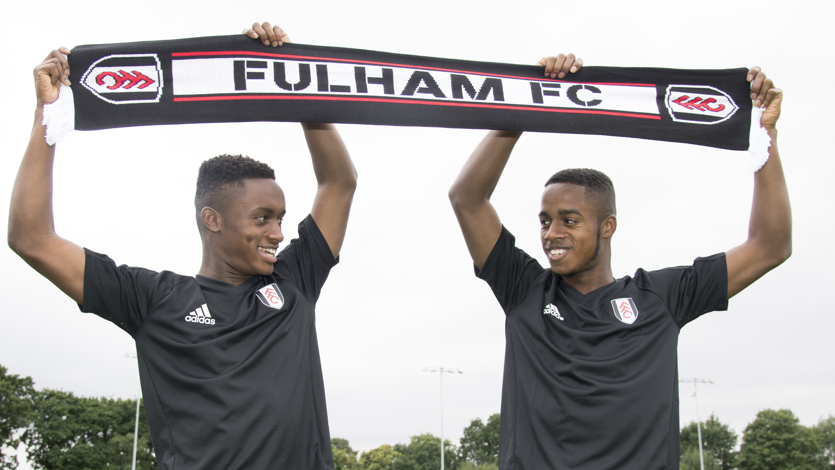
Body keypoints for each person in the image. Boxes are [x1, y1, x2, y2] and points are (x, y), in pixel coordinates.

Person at [8, 22, 356, 470]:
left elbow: (339, 182)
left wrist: (295, 78)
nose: (278, 233)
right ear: (212, 220)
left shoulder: (294, 282)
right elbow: (31, 238)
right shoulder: (153, 300)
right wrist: (47, 115)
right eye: (262, 218)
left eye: (280, 219)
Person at [448, 54, 790, 470]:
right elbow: (467, 198)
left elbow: (770, 246)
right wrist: (523, 105)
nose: (551, 233)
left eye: (569, 220)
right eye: (545, 220)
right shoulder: (524, 289)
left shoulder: (661, 297)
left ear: (607, 226)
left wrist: (765, 135)